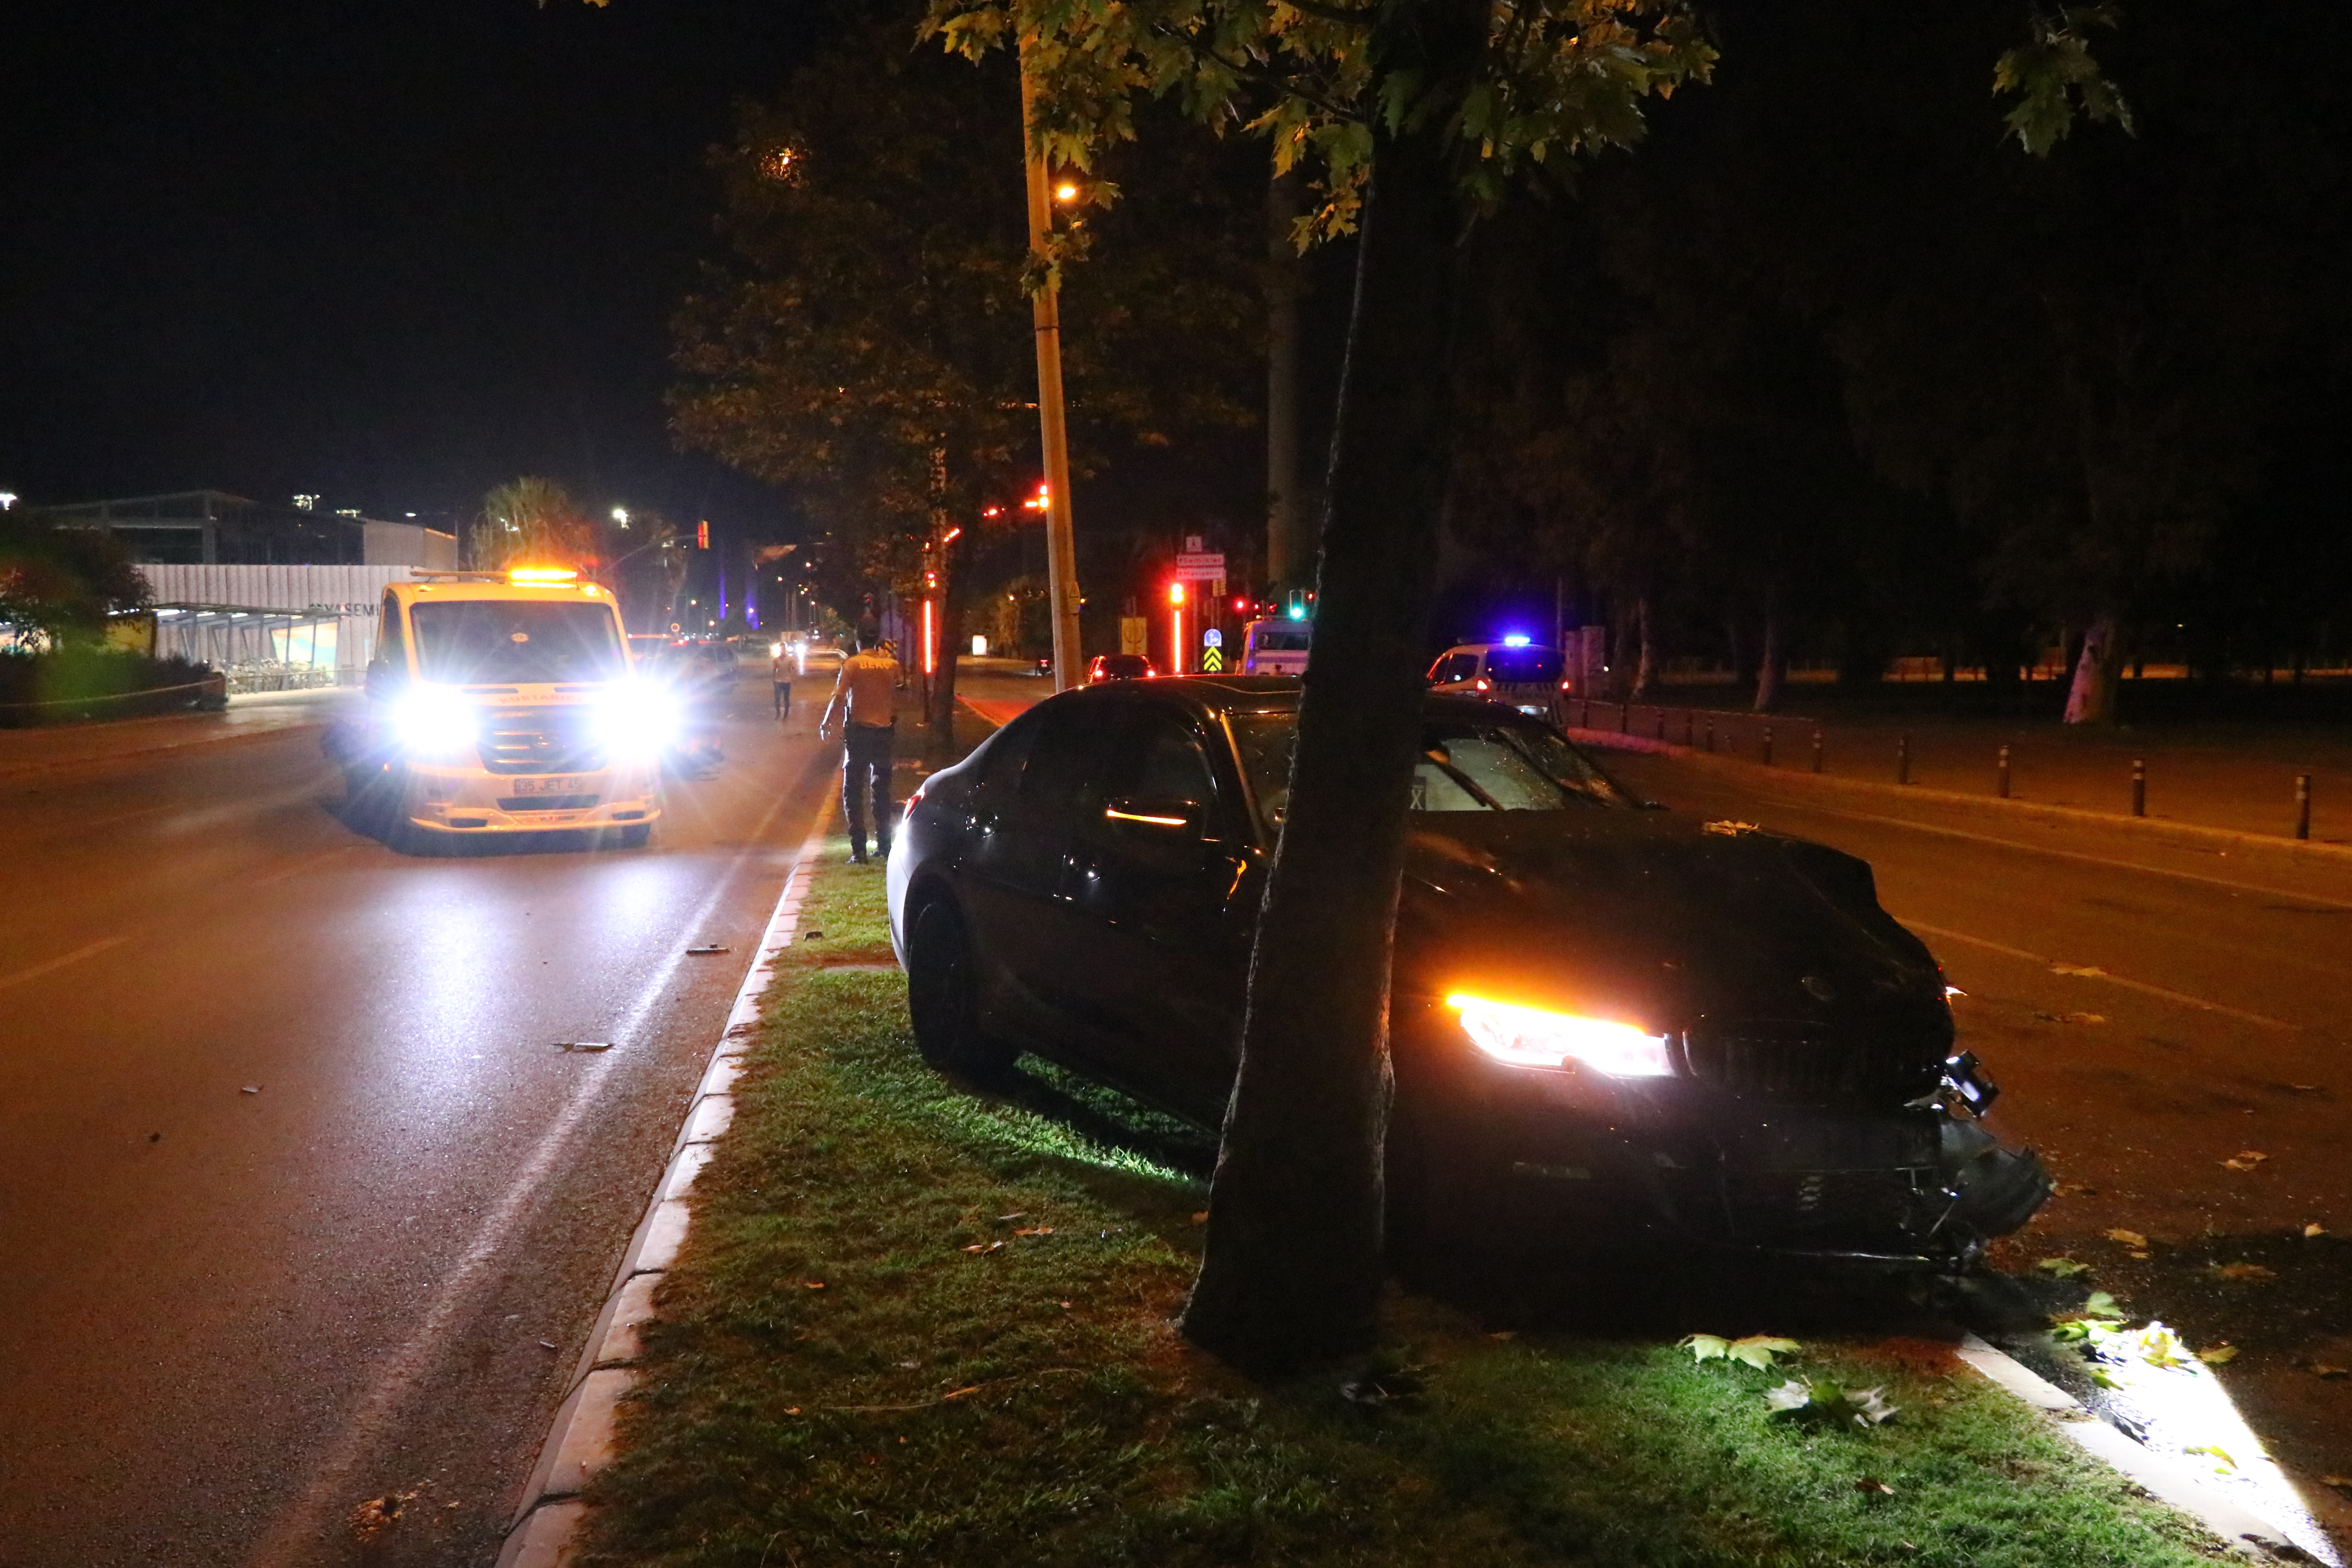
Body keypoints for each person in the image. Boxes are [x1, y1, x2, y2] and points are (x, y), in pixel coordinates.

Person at [819, 622, 898, 863]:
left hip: (860, 734)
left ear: (857, 642)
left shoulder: (852, 665)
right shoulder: (892, 666)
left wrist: (826, 723)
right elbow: (894, 697)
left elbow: (840, 698)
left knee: (853, 791)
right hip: (884, 733)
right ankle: (885, 845)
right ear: (877, 642)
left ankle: (859, 851)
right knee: (882, 791)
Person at [770, 643, 793, 720]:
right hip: (778, 681)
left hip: (787, 681)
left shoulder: (790, 659)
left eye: (784, 648)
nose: (782, 650)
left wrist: (792, 678)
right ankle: (778, 713)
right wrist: (774, 679)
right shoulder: (776, 659)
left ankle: (786, 713)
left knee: (786, 698)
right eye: (781, 649)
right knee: (777, 698)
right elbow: (774, 670)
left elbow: (793, 669)